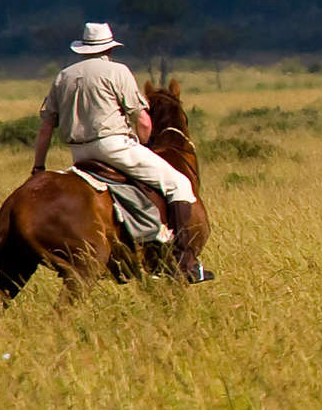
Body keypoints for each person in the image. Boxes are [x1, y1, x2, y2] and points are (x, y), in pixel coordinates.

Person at [29, 22, 214, 282]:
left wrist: (39, 167)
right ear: (109, 48)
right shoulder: (118, 71)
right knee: (179, 185)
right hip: (114, 147)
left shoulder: (63, 76)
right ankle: (185, 263)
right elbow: (143, 121)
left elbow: (46, 126)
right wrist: (145, 144)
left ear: (82, 49)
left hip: (80, 154)